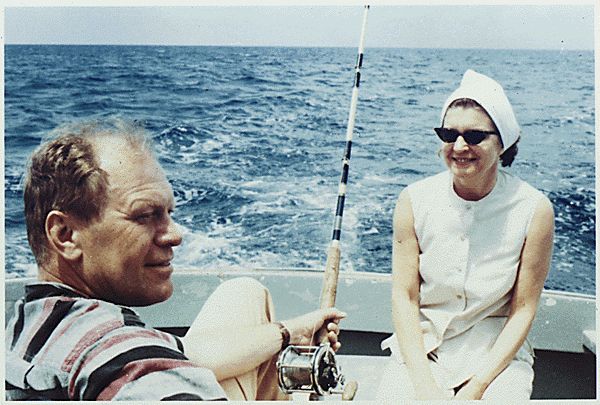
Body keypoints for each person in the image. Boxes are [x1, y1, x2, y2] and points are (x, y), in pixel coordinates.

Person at [5, 118, 347, 401]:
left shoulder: (28, 324)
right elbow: (137, 361)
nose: (175, 234)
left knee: (244, 294)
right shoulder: (121, 352)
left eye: (168, 212)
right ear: (65, 235)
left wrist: (290, 332)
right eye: (145, 215)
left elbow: (183, 350)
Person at [377, 70, 555, 401]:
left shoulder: (535, 209)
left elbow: (523, 309)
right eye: (449, 133)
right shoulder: (413, 200)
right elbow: (405, 298)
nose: (459, 146)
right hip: (422, 349)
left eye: (474, 136)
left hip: (496, 357)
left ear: (503, 142)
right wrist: (424, 385)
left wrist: (476, 389)